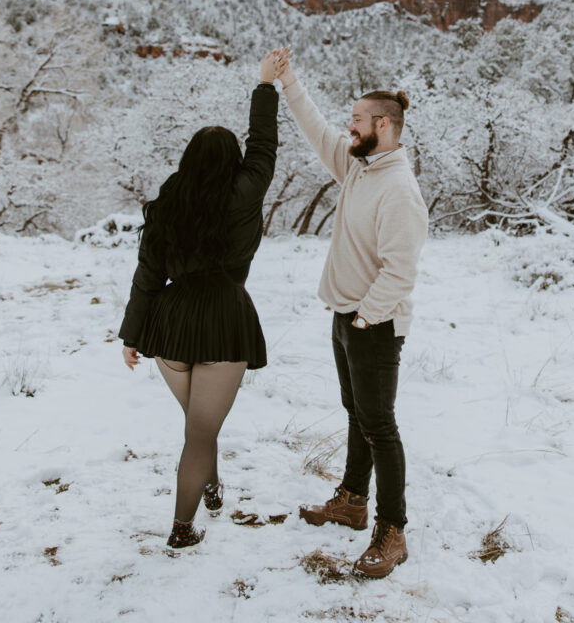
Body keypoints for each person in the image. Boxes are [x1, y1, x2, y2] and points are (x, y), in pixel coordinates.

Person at [274, 48, 428, 578]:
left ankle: (393, 530)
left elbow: (400, 271)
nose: (349, 126)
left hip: (374, 325)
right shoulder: (360, 167)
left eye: (358, 120)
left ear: (383, 126)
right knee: (357, 415)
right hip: (346, 318)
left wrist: (365, 317)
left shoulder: (399, 190)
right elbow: (317, 130)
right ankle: (352, 501)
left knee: (379, 425)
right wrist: (288, 79)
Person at [118, 51, 281, 551]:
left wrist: (131, 334)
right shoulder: (245, 189)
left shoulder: (169, 199)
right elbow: (264, 145)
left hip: (171, 322)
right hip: (222, 320)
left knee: (197, 426)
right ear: (232, 162)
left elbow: (148, 273)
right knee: (200, 432)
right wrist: (265, 85)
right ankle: (183, 528)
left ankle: (210, 487)